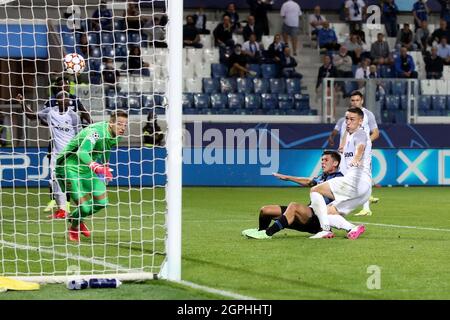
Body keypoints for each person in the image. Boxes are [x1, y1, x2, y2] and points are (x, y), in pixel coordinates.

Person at [242, 150, 365, 239]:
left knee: (294, 206)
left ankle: (267, 234)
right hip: (309, 215)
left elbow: (347, 196)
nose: (322, 162)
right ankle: (260, 231)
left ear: (335, 163)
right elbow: (308, 181)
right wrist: (287, 178)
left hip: (319, 218)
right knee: (266, 210)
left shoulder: (339, 179)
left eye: (326, 160)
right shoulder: (323, 177)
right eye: (322, 160)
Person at [55, 110, 128, 242]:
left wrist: (106, 165)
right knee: (84, 207)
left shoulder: (117, 135)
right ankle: (74, 226)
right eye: (119, 124)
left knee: (102, 202)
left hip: (88, 168)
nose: (122, 128)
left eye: (125, 125)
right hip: (69, 167)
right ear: (111, 123)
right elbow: (81, 153)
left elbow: (107, 147)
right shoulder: (95, 132)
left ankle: (75, 217)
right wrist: (97, 167)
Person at [17, 91, 82, 219]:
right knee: (54, 182)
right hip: (56, 154)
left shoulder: (74, 117)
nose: (65, 100)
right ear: (57, 100)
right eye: (62, 98)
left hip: (70, 154)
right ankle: (62, 210)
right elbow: (31, 116)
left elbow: (79, 137)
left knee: (70, 182)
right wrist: (23, 103)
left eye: (67, 97)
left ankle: (83, 207)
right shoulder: (50, 112)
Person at [308, 107, 371, 239]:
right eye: (347, 118)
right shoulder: (349, 135)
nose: (348, 122)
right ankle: (352, 228)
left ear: (361, 121)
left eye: (352, 119)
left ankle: (325, 230)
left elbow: (361, 146)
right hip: (364, 190)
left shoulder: (361, 133)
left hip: (355, 181)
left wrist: (356, 158)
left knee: (315, 190)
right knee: (325, 213)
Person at [337, 91, 380, 216]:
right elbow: (346, 131)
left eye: (357, 100)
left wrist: (366, 143)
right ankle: (347, 201)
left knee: (364, 173)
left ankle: (366, 208)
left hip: (361, 148)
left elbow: (376, 133)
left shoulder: (368, 115)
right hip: (349, 149)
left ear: (362, 101)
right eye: (352, 100)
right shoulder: (349, 115)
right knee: (346, 174)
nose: (355, 102)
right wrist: (343, 145)